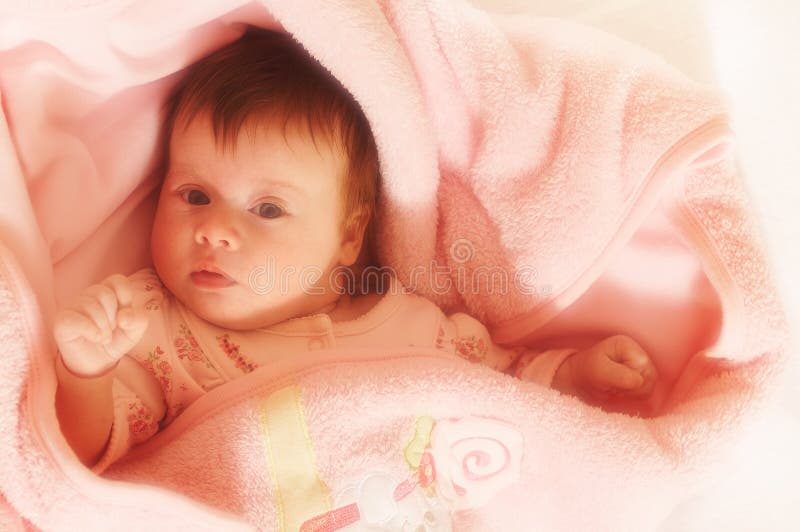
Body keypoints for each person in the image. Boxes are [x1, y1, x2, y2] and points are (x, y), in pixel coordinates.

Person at [53, 28, 658, 471]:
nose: (214, 230)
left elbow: (505, 387)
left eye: (267, 209)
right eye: (194, 194)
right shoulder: (150, 328)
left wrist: (575, 375)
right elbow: (87, 458)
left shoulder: (414, 328)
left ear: (349, 235)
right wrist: (87, 372)